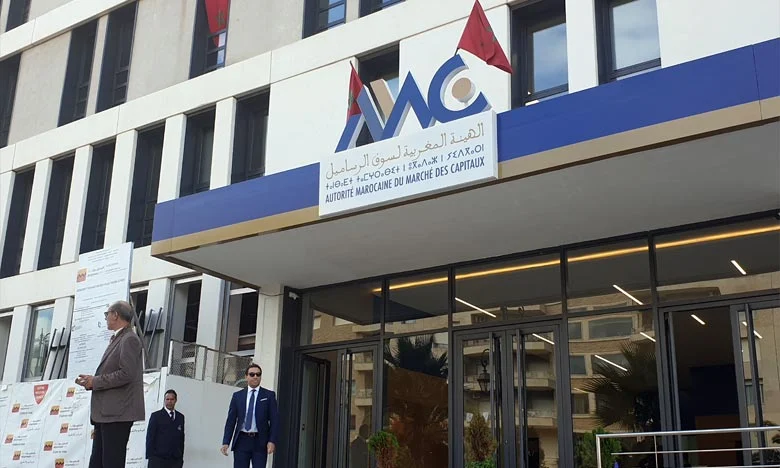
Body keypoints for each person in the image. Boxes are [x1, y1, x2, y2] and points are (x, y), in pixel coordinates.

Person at [75, 300, 144, 468]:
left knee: (111, 463)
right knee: (97, 463)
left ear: (115, 315)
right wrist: (91, 381)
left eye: (107, 314)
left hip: (117, 414)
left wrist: (96, 381)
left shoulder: (129, 339)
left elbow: (126, 374)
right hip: (106, 414)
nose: (105, 318)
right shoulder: (118, 338)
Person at [221, 364, 279, 467]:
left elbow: (275, 420)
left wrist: (272, 441)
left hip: (260, 440)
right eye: (252, 374)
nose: (255, 377)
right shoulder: (237, 396)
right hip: (242, 440)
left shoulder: (268, 395)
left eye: (258, 374)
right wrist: (226, 442)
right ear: (246, 376)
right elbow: (231, 420)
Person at [146, 389, 185, 468]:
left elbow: (181, 438)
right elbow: (150, 437)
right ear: (164, 400)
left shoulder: (180, 417)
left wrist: (180, 458)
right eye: (167, 399)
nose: (169, 401)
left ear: (175, 400)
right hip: (158, 459)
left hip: (175, 460)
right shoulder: (156, 416)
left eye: (172, 399)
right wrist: (151, 457)